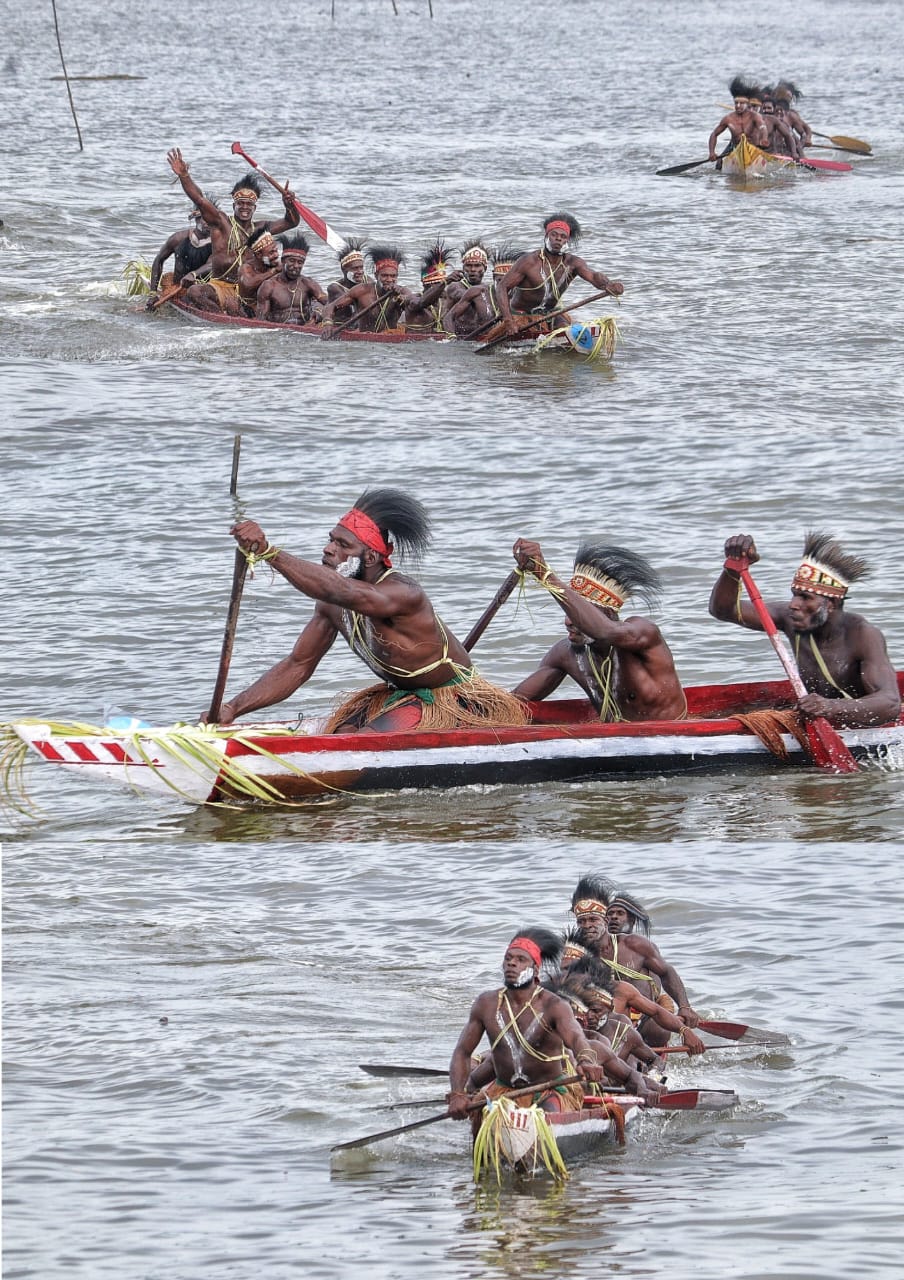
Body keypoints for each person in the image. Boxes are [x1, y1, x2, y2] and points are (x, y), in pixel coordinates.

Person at [219, 488, 529, 733]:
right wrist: (233, 708)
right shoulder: (331, 606)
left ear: (369, 558)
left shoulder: (402, 593)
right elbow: (297, 665)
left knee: (358, 741)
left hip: (453, 700)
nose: (329, 549)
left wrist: (269, 552)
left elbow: (340, 590)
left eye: (344, 546)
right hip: (401, 695)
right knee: (338, 733)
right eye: (331, 540)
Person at [709, 531, 900, 728]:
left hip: (860, 723)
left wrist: (829, 707)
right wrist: (733, 567)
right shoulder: (789, 618)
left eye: (805, 597)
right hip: (818, 715)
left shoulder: (862, 635)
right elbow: (724, 610)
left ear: (831, 603)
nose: (793, 604)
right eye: (794, 595)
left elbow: (890, 703)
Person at [448, 932, 632, 1129]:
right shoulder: (485, 1004)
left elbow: (576, 1037)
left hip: (550, 1090)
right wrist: (458, 1094)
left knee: (542, 1121)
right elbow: (462, 1051)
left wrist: (586, 1061)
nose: (512, 963)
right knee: (482, 1122)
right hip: (503, 1090)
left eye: (521, 960)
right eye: (508, 959)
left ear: (535, 970)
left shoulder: (554, 1005)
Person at [511, 538, 687, 722]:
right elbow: (515, 702)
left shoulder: (641, 633)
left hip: (671, 736)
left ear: (609, 613)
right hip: (617, 740)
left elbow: (606, 632)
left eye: (581, 612)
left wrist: (545, 575)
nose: (568, 621)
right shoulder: (565, 654)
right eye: (569, 612)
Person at [567, 875, 701, 1046]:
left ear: (605, 920)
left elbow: (667, 973)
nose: (587, 926)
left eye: (593, 919)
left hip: (647, 1017)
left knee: (659, 1029)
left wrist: (685, 1008)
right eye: (581, 921)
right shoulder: (575, 955)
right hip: (604, 1021)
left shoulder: (635, 945)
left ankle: (651, 1063)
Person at [165, 149, 300, 310]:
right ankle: (221, 316)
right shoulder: (221, 223)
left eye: (249, 204)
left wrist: (289, 205)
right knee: (195, 292)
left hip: (251, 290)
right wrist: (184, 176)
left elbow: (291, 222)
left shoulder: (260, 229)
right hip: (221, 286)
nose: (244, 207)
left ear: (254, 207)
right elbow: (200, 199)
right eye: (240, 203)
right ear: (233, 205)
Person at [493, 213, 624, 339]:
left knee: (565, 329)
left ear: (567, 240)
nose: (558, 238)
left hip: (551, 313)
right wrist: (508, 321)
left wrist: (608, 285)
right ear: (546, 236)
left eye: (563, 236)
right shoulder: (529, 262)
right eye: (554, 234)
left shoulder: (573, 263)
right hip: (521, 315)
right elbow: (501, 288)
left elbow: (594, 277)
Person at [319, 244, 413, 333]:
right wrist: (327, 324)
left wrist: (404, 299)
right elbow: (330, 307)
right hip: (364, 344)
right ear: (376, 275)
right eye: (384, 276)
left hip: (391, 344)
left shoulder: (403, 291)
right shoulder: (361, 290)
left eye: (393, 276)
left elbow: (415, 303)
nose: (389, 280)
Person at [255, 231, 327, 324]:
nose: (296, 265)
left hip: (304, 331)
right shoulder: (269, 286)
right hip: (278, 332)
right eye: (292, 261)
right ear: (283, 261)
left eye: (300, 262)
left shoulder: (308, 283)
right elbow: (261, 320)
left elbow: (328, 302)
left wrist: (318, 312)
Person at [146, 207, 212, 303]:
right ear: (197, 219)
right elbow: (159, 260)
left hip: (205, 289)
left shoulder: (218, 242)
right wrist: (153, 293)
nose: (209, 223)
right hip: (179, 288)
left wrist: (193, 274)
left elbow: (211, 264)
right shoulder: (178, 239)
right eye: (206, 219)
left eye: (212, 219)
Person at [708, 76, 769, 162]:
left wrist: (764, 139)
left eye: (741, 103)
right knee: (718, 164)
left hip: (754, 149)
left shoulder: (755, 116)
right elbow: (714, 134)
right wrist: (712, 153)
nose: (738, 106)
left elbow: (763, 128)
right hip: (735, 149)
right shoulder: (728, 119)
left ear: (747, 104)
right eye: (736, 103)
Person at [403, 242, 456, 334]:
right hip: (416, 345)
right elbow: (423, 302)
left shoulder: (447, 300)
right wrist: (445, 282)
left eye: (441, 284)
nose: (441, 288)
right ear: (425, 284)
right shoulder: (412, 300)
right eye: (437, 284)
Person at [443, 240, 493, 337]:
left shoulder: (488, 289)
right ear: (463, 268)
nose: (473, 270)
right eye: (469, 266)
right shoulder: (455, 287)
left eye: (477, 265)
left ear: (485, 269)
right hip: (460, 335)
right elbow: (464, 294)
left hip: (479, 335)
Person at [759, 90, 801, 158]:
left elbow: (789, 137)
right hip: (759, 153)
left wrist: (794, 153)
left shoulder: (778, 122)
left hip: (773, 154)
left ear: (774, 109)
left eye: (769, 108)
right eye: (764, 108)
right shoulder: (756, 118)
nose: (766, 110)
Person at [327, 236, 369, 301]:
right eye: (355, 268)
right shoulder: (334, 288)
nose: (360, 271)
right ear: (344, 269)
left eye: (361, 267)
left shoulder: (367, 280)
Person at [774, 80, 812, 150]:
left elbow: (806, 129)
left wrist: (807, 139)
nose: (789, 99)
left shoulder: (792, 115)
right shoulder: (767, 108)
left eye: (790, 97)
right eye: (787, 96)